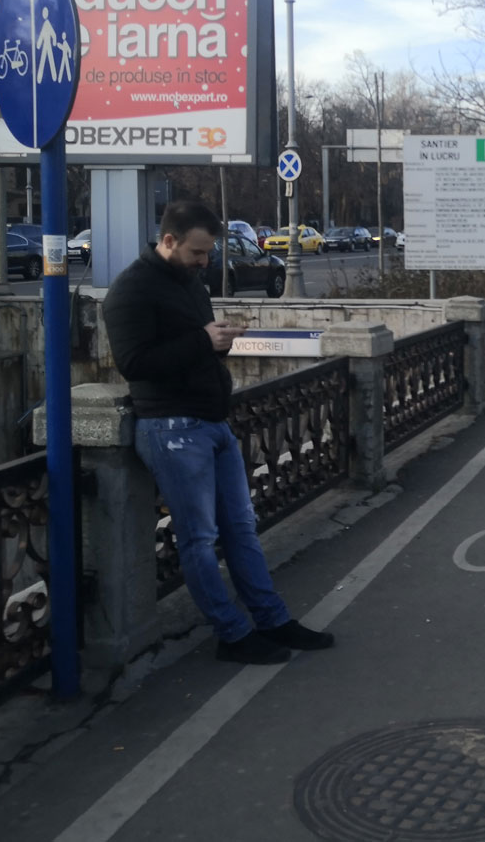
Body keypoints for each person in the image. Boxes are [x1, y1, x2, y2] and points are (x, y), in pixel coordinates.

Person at [104, 200, 335, 665]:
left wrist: (218, 344)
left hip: (212, 421)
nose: (205, 262)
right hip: (170, 427)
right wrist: (202, 341)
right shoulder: (130, 291)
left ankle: (272, 620)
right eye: (197, 252)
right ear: (168, 241)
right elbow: (134, 364)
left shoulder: (190, 282)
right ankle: (231, 634)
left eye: (208, 253)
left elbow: (196, 345)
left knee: (241, 529)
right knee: (199, 538)